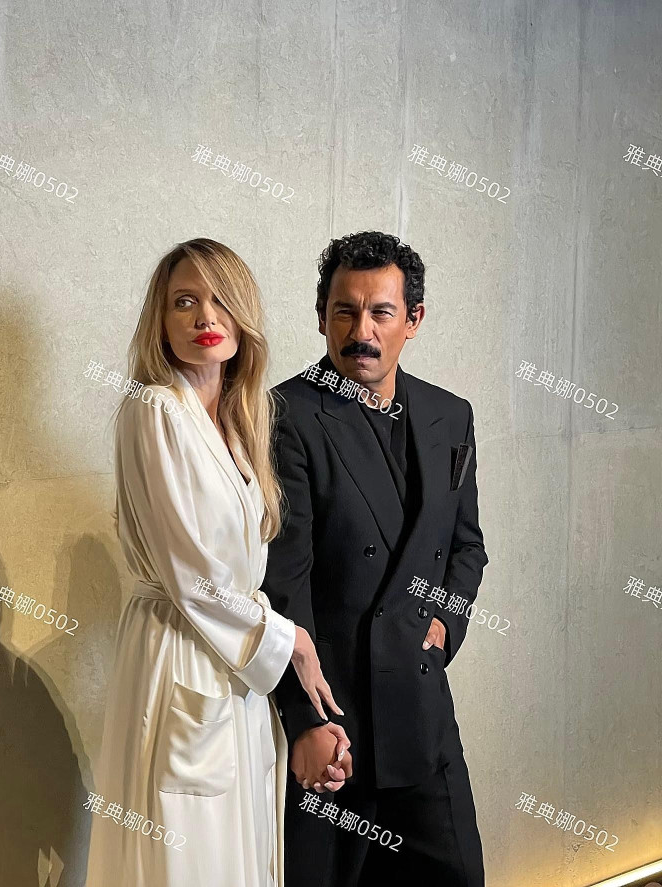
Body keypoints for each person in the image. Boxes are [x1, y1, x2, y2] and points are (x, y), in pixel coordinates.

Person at [85, 238, 349, 887]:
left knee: (236, 853)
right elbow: (192, 576)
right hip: (180, 653)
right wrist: (290, 640)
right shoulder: (155, 410)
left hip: (235, 669)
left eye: (220, 300)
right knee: (184, 858)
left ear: (242, 316)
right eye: (184, 302)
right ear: (160, 318)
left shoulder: (239, 421)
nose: (205, 316)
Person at [262, 231, 488, 886]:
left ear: (413, 319)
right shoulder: (287, 414)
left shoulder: (450, 415)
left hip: (422, 712)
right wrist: (306, 721)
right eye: (345, 311)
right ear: (322, 316)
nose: (361, 331)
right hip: (338, 726)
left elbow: (467, 546)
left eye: (381, 312)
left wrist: (444, 624)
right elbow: (284, 581)